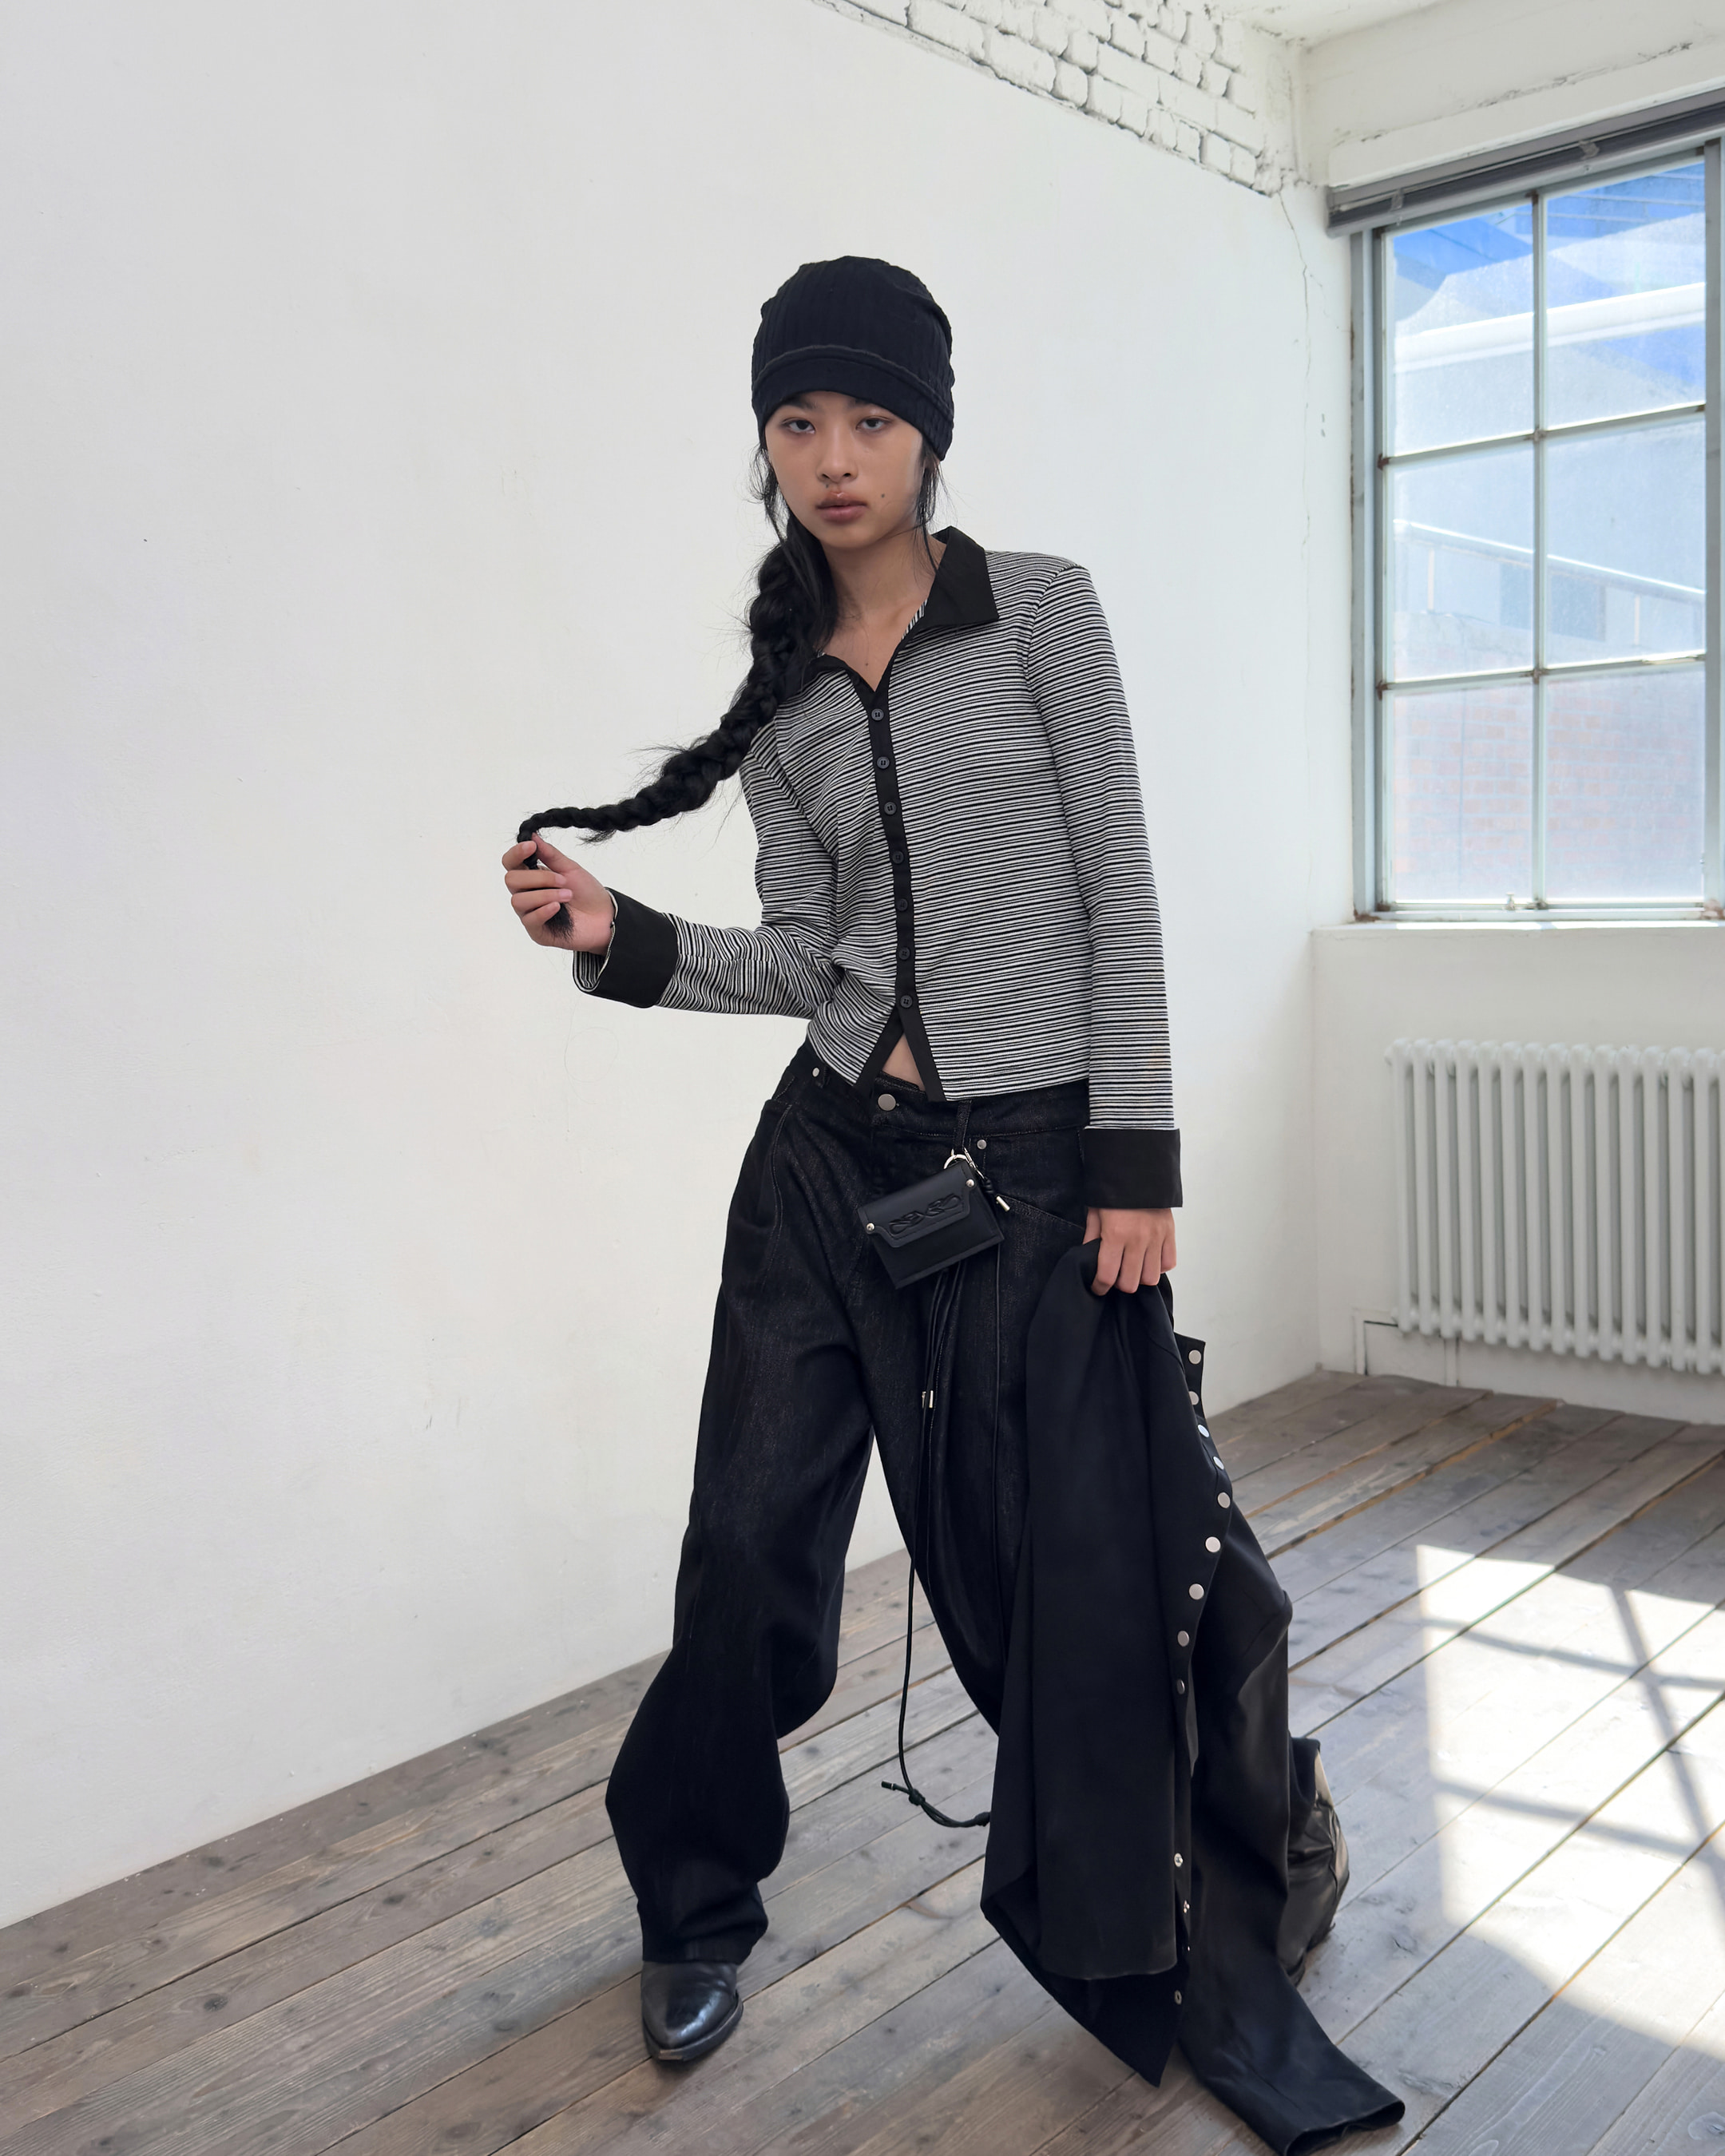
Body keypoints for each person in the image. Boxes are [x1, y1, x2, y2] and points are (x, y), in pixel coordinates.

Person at [505, 257, 1181, 2063]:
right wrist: (623, 938)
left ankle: (1237, 1821)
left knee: (1046, 1569)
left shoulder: (1040, 610)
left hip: (1025, 1174)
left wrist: (1135, 1156)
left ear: (928, 437)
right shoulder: (786, 695)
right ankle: (691, 1902)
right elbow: (810, 959)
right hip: (824, 1164)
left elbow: (1118, 888)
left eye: (869, 419)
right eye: (797, 422)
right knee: (745, 1543)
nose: (832, 456)